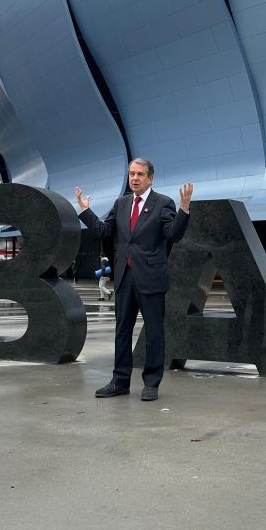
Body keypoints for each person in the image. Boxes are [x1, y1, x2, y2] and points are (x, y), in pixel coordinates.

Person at [76, 159, 193, 401]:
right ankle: (119, 381)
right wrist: (85, 211)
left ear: (150, 178)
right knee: (122, 331)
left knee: (154, 333)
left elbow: (174, 234)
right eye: (131, 174)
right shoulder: (121, 203)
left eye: (140, 174)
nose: (135, 178)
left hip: (151, 277)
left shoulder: (163, 203)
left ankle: (151, 383)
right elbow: (103, 231)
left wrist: (184, 209)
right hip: (125, 277)